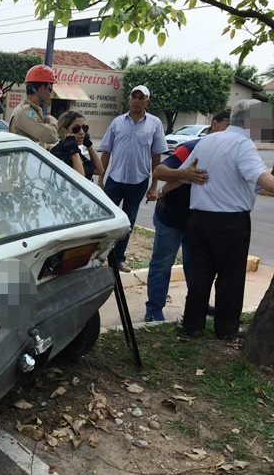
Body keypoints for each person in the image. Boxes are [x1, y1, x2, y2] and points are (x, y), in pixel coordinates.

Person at [174, 100, 274, 339]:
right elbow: (266, 183)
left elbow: (186, 174)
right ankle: (226, 329)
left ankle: (193, 325)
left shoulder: (208, 140)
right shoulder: (243, 145)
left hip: (199, 218)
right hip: (230, 222)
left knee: (200, 275)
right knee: (230, 277)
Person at [144, 109, 231, 322]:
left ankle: (197, 306)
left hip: (199, 222)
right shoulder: (190, 148)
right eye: (228, 125)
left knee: (198, 268)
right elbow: (159, 172)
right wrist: (184, 173)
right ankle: (154, 310)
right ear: (215, 124)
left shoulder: (228, 153)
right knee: (162, 264)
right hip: (172, 218)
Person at [98, 85, 168, 272]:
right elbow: (106, 151)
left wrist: (154, 185)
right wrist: (101, 179)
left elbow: (156, 157)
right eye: (134, 97)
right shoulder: (117, 122)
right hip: (115, 178)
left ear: (147, 101)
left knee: (128, 221)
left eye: (141, 97)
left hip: (138, 181)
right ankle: (100, 256)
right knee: (107, 218)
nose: (136, 100)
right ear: (129, 100)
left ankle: (119, 259)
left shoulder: (155, 124)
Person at [8, 64, 58, 147]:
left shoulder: (34, 110)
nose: (51, 93)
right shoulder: (24, 112)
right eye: (50, 89)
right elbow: (50, 136)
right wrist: (53, 121)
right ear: (42, 89)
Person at [50, 110, 104, 180]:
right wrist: (73, 150)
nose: (82, 132)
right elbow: (80, 180)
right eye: (76, 129)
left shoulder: (77, 152)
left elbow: (99, 170)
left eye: (84, 128)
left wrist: (89, 145)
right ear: (64, 131)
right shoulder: (58, 153)